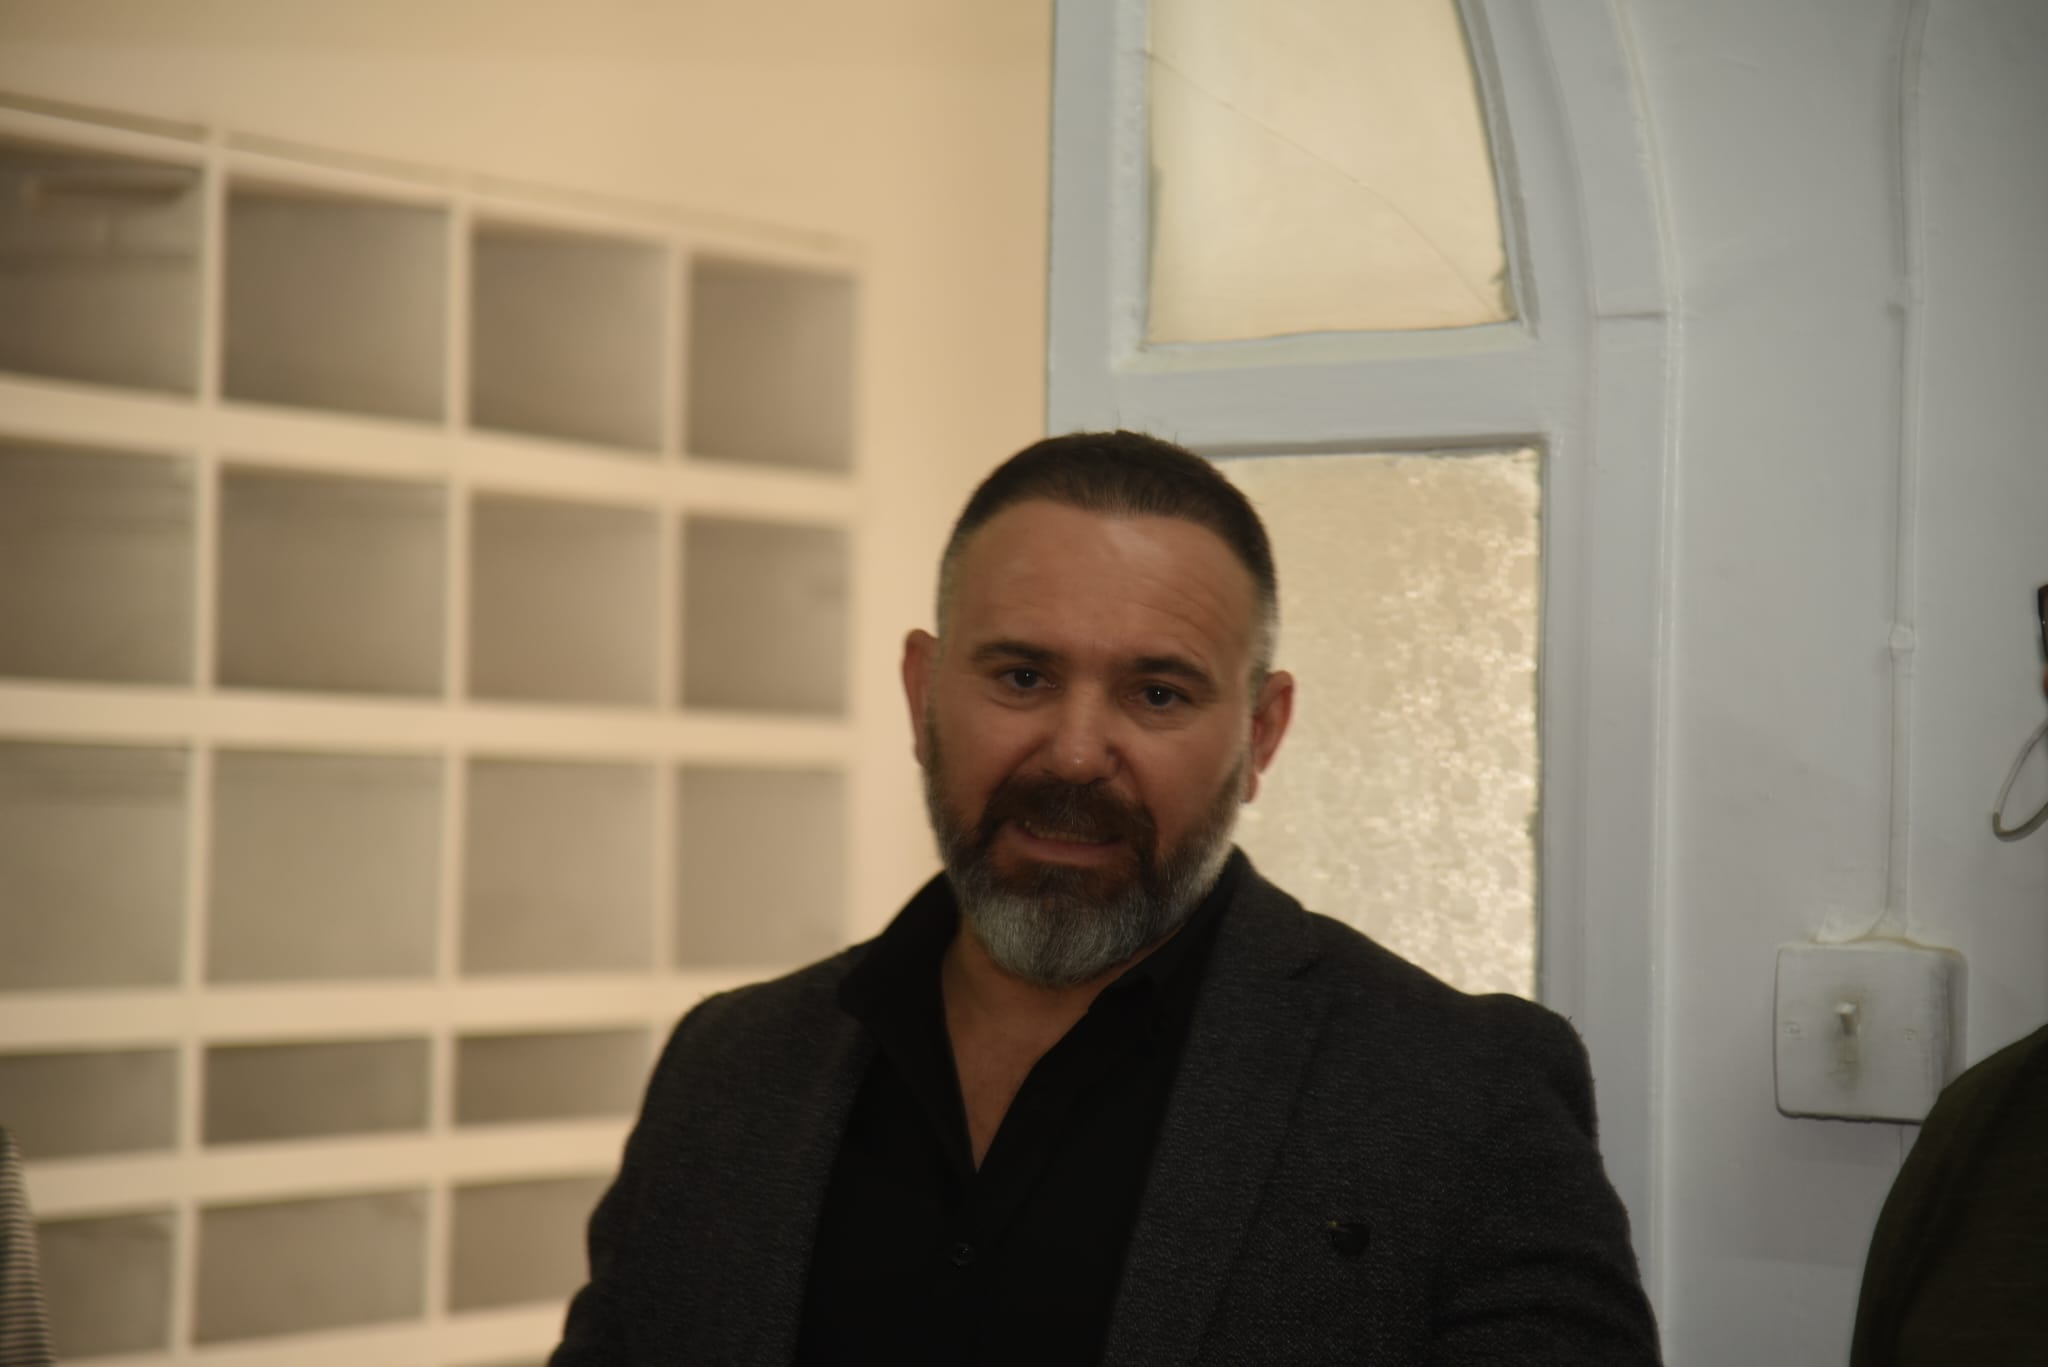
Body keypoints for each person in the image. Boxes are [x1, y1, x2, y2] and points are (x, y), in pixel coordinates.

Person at [550, 430, 1661, 1365]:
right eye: (1022, 676)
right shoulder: (727, 1071)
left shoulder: (1458, 1098)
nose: (1076, 753)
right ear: (922, 694)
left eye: (1156, 692)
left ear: (1261, 733)